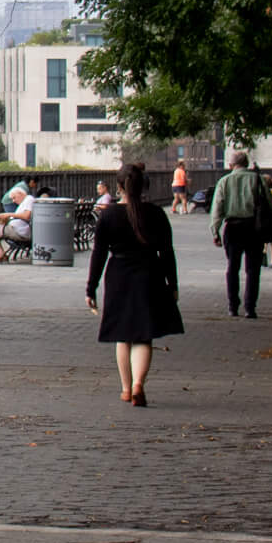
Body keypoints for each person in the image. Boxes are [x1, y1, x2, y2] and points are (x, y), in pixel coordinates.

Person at [85, 163, 182, 406]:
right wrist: (173, 283)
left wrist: (91, 288)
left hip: (119, 275)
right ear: (143, 186)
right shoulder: (156, 214)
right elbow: (167, 252)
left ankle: (126, 389)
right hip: (150, 274)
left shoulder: (107, 215)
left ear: (119, 187)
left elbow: (98, 255)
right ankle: (139, 383)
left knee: (123, 335)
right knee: (144, 335)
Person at [209, 151, 272, 319]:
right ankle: (250, 307)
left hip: (233, 228)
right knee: (253, 270)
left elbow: (217, 209)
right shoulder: (258, 180)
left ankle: (232, 306)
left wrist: (215, 231)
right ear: (247, 164)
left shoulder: (224, 181)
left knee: (232, 267)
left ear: (231, 165)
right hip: (254, 228)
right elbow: (271, 205)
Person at [0, 181, 34, 264]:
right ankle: (1, 254)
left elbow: (26, 216)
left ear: (20, 193)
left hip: (19, 231)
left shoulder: (29, 199)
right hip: (16, 229)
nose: (13, 201)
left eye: (14, 198)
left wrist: (8, 215)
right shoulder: (25, 201)